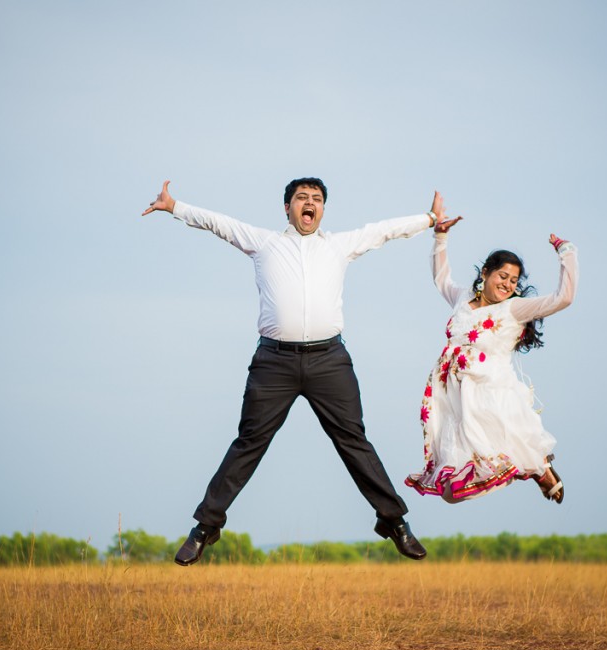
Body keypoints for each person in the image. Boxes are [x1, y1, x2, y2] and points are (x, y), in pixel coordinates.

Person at [142, 178, 458, 564]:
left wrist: (428, 219)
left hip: (329, 361)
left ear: (323, 210)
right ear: (287, 208)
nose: (310, 204)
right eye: (302, 198)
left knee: (353, 441)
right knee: (249, 442)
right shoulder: (264, 242)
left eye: (317, 199)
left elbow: (383, 231)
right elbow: (218, 223)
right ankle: (204, 528)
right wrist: (175, 206)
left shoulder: (338, 246)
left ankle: (394, 522)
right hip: (274, 363)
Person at [404, 221, 578, 505]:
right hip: (456, 400)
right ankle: (536, 466)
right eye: (503, 276)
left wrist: (566, 252)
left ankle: (540, 468)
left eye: (513, 280)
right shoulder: (462, 299)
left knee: (510, 452)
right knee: (450, 494)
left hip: (493, 396)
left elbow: (564, 298)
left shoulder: (515, 308)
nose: (507, 284)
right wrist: (440, 236)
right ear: (485, 273)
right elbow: (441, 278)